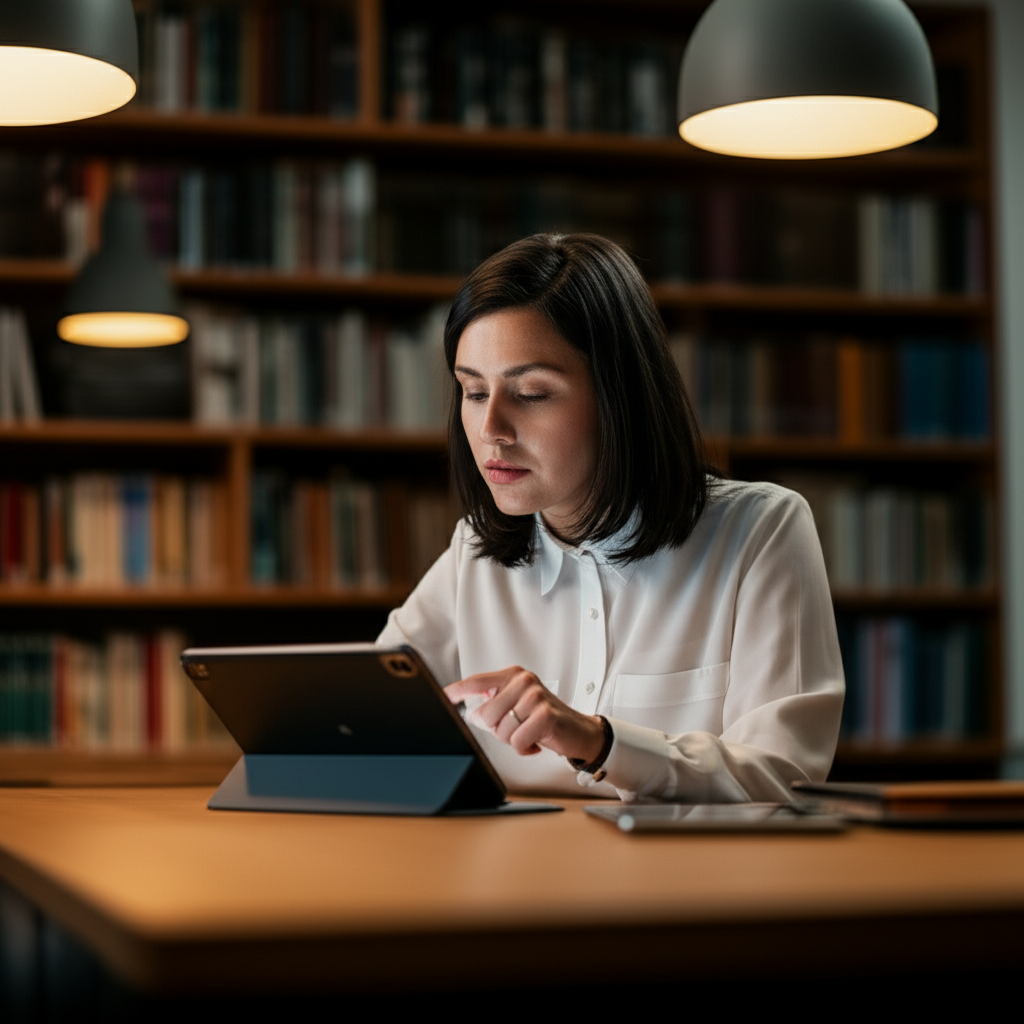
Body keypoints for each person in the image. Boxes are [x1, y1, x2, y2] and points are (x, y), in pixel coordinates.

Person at [378, 233, 844, 803]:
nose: (490, 429)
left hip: (688, 863)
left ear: (619, 395)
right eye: (474, 392)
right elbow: (366, 719)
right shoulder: (473, 552)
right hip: (513, 861)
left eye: (531, 393)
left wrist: (601, 743)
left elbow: (783, 775)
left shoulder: (761, 530)